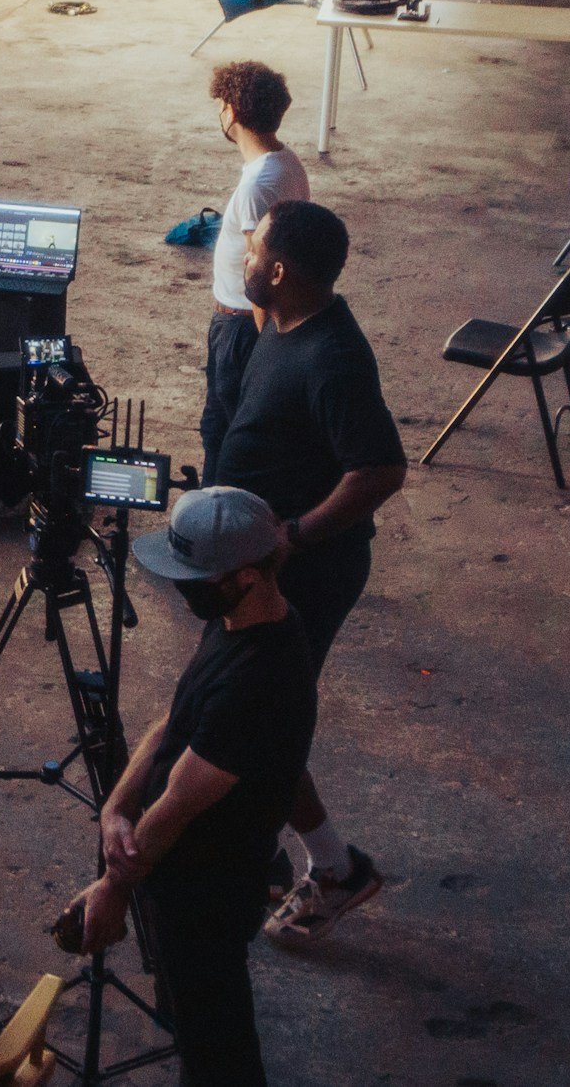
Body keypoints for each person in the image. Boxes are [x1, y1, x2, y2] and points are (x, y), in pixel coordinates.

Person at [65, 488, 318, 1087]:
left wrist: (112, 887)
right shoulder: (238, 618)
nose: (182, 590)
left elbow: (177, 805)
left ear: (249, 575)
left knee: (218, 1042)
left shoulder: (257, 684)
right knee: (192, 1012)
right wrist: (115, 807)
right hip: (175, 868)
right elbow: (170, 724)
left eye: (195, 577)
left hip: (208, 884)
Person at [209, 199, 406, 941]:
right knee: (247, 720)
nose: (245, 258)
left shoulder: (335, 357)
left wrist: (293, 534)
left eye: (253, 249)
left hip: (302, 579)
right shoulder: (284, 321)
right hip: (256, 567)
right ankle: (278, 854)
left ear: (281, 270)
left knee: (257, 727)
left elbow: (381, 469)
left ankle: (334, 869)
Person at [199, 62, 308, 472]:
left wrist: (270, 350)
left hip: (242, 328)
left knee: (224, 435)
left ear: (231, 111)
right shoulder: (287, 162)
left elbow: (259, 279)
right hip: (247, 326)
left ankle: (215, 521)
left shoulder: (254, 188)